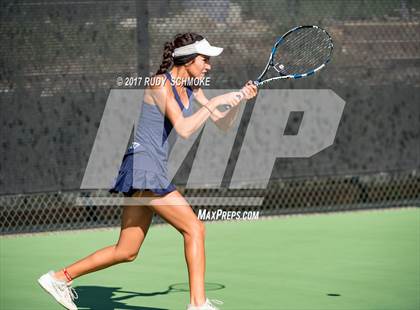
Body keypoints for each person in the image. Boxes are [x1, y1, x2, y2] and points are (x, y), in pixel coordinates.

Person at [37, 32, 258, 310]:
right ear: (187, 58)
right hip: (144, 166)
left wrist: (239, 100)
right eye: (204, 59)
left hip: (147, 168)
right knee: (194, 228)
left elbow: (222, 124)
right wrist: (215, 102)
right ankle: (198, 304)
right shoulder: (158, 85)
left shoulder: (192, 87)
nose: (208, 65)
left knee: (126, 251)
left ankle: (59, 278)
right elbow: (185, 129)